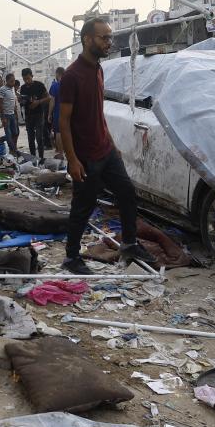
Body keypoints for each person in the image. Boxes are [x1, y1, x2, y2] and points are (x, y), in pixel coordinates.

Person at [58, 18, 156, 274]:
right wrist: (72, 160)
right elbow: (64, 122)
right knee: (83, 206)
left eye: (110, 37)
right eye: (104, 38)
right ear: (87, 39)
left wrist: (112, 144)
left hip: (105, 150)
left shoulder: (99, 70)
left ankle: (129, 244)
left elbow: (98, 113)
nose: (109, 42)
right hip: (85, 156)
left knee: (127, 194)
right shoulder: (71, 76)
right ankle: (71, 257)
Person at [19, 67, 51, 159]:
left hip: (39, 114)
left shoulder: (39, 85)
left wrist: (38, 102)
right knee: (30, 138)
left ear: (32, 76)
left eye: (28, 78)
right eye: (24, 79)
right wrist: (21, 101)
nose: (26, 81)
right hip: (28, 115)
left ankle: (41, 158)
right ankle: (33, 158)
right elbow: (22, 101)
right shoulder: (23, 88)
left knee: (39, 137)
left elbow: (49, 98)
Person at [0, 73, 21, 156]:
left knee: (15, 133)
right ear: (7, 81)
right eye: (11, 81)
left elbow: (13, 102)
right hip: (6, 115)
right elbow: (0, 104)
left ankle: (1, 140)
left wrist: (16, 114)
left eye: (14, 81)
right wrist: (3, 117)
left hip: (12, 114)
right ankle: (13, 150)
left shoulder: (12, 89)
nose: (13, 83)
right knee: (9, 134)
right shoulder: (2, 89)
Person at [49, 66, 65, 157]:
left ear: (58, 74)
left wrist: (49, 114)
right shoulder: (69, 84)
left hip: (58, 113)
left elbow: (52, 101)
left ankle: (60, 153)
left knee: (58, 133)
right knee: (68, 132)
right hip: (69, 112)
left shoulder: (55, 85)